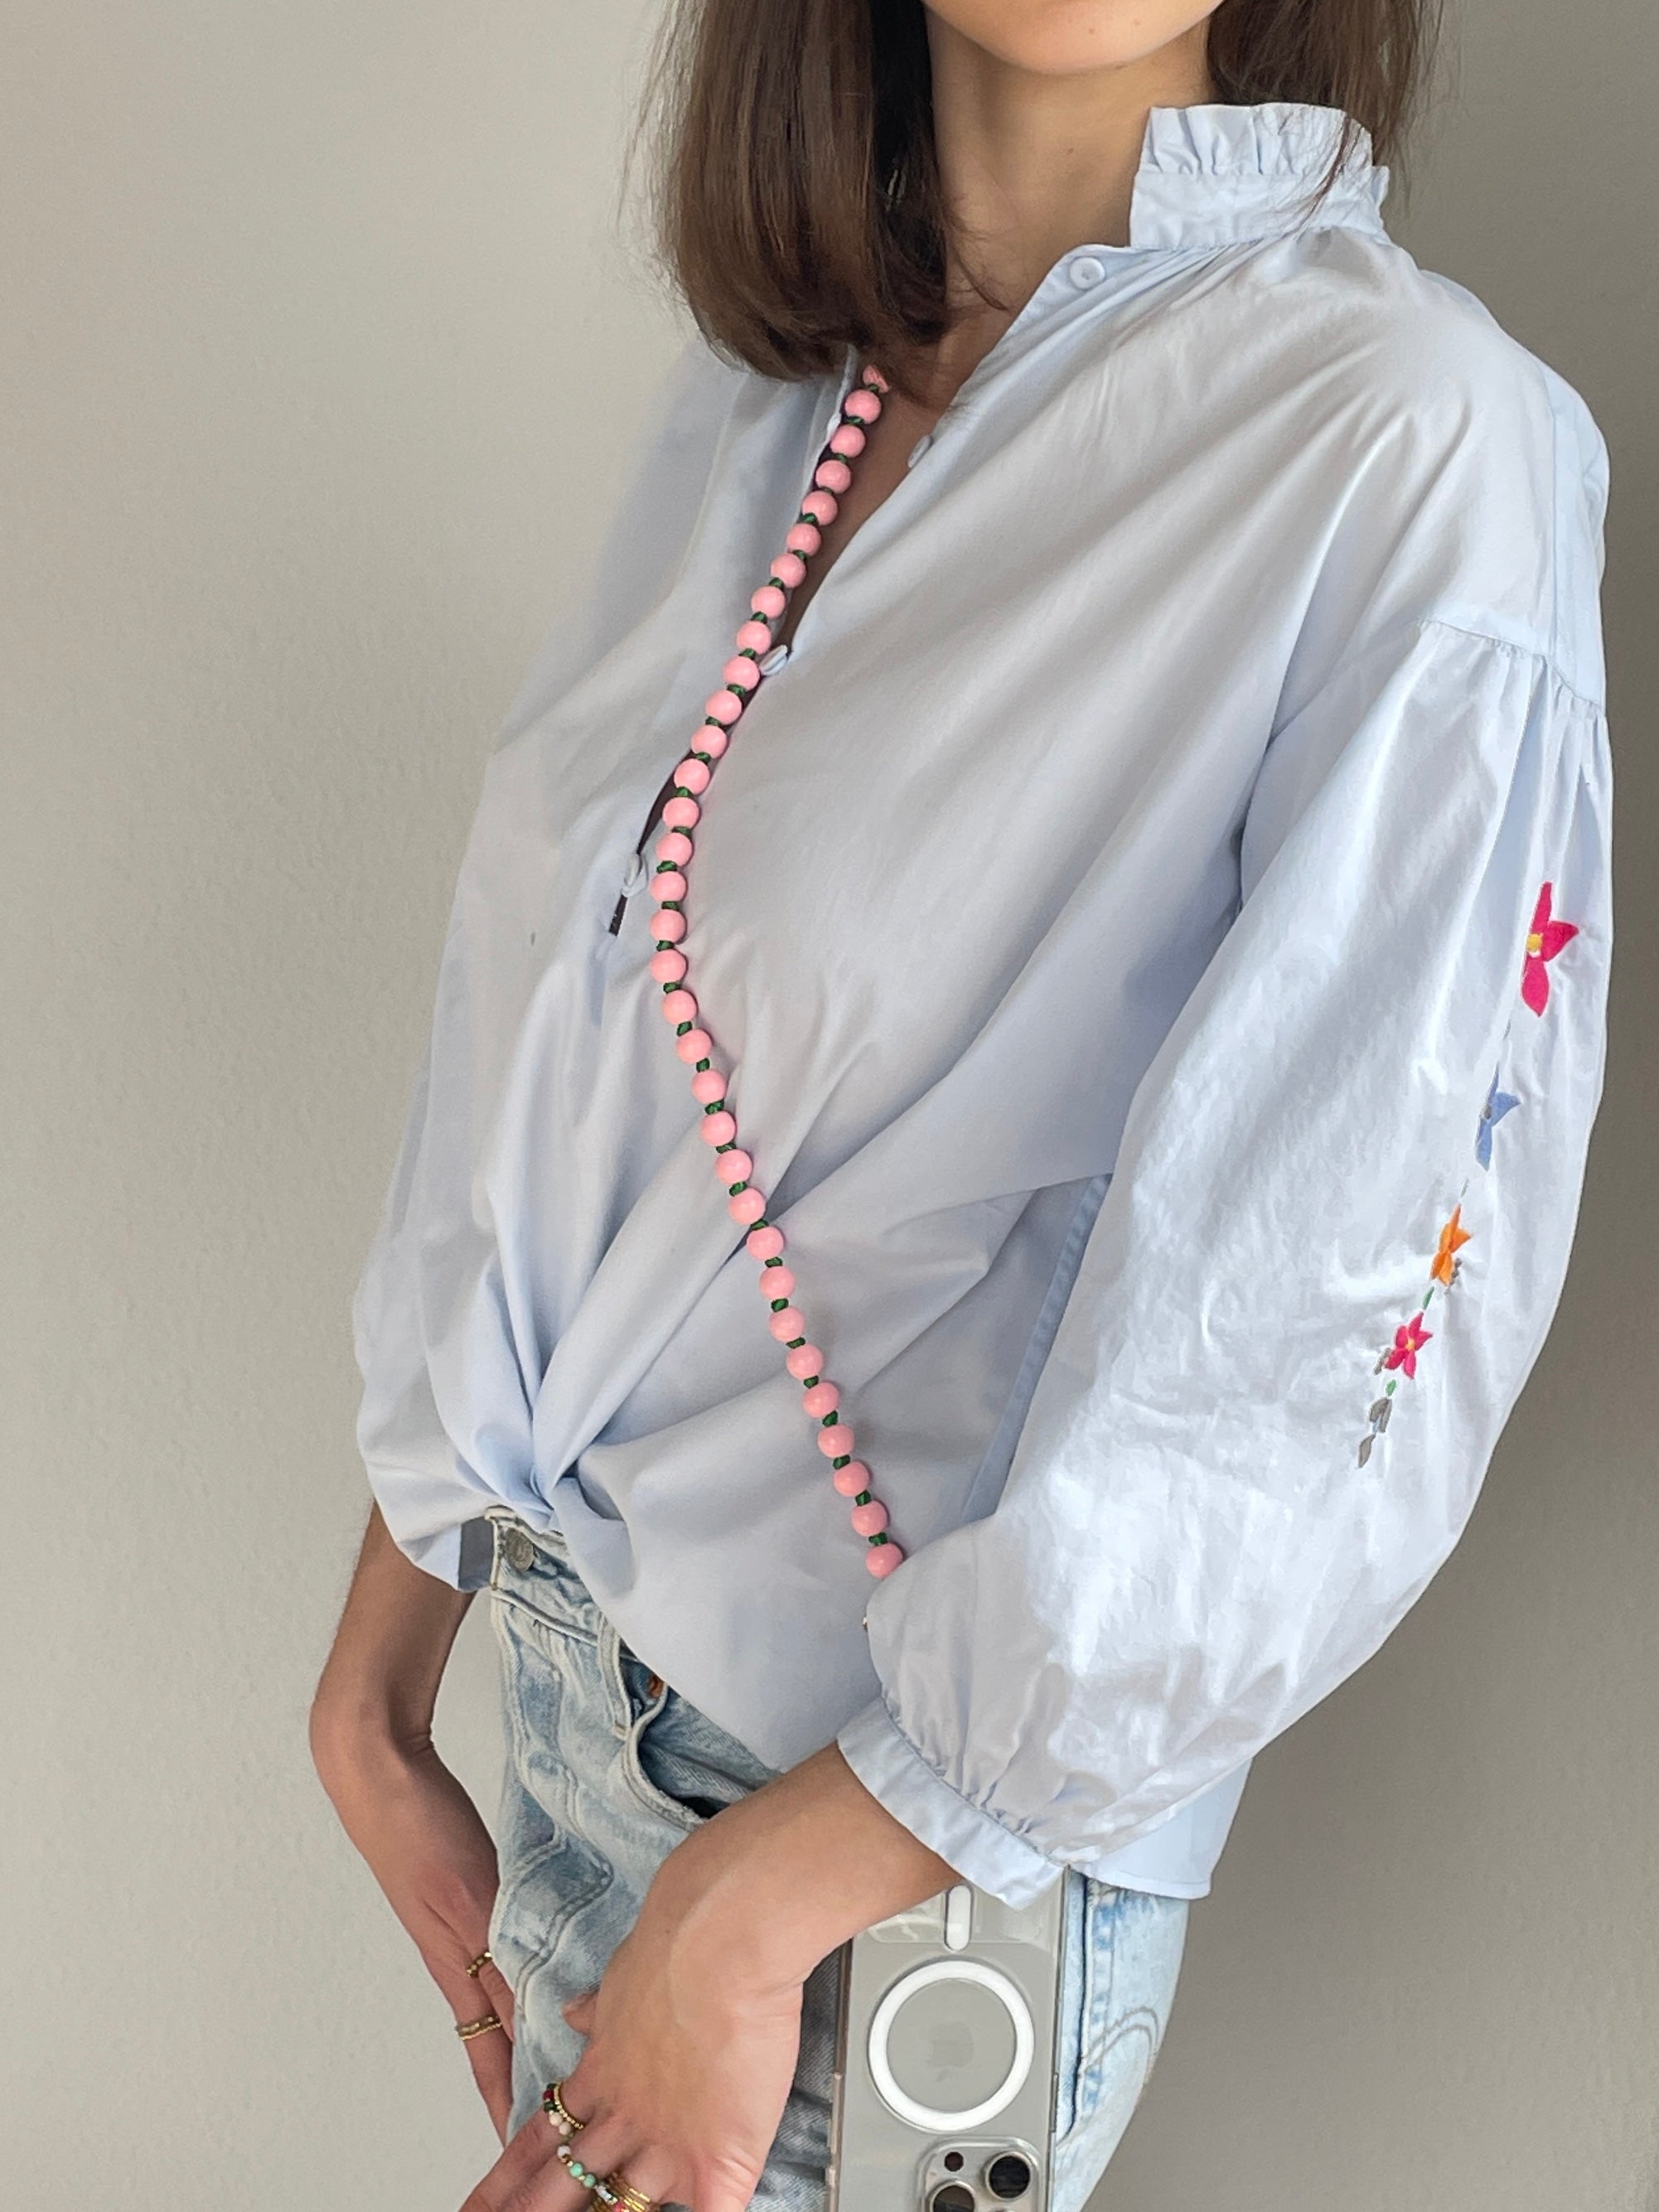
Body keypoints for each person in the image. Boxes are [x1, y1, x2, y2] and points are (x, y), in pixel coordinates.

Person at [308, 2, 1615, 2208]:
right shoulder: (773, 394)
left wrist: (760, 1906)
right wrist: (377, 1671)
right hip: (576, 1701)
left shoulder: (1408, 442)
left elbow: (1332, 1319)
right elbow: (579, 1047)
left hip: (864, 1865)